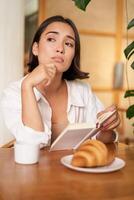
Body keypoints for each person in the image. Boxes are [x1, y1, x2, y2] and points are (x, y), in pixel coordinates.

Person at [0, 15, 120, 147]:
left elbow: (101, 138)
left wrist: (107, 128)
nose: (60, 48)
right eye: (51, 39)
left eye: (68, 44)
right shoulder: (14, 93)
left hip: (76, 166)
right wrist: (27, 86)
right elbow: (32, 144)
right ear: (35, 48)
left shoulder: (83, 91)